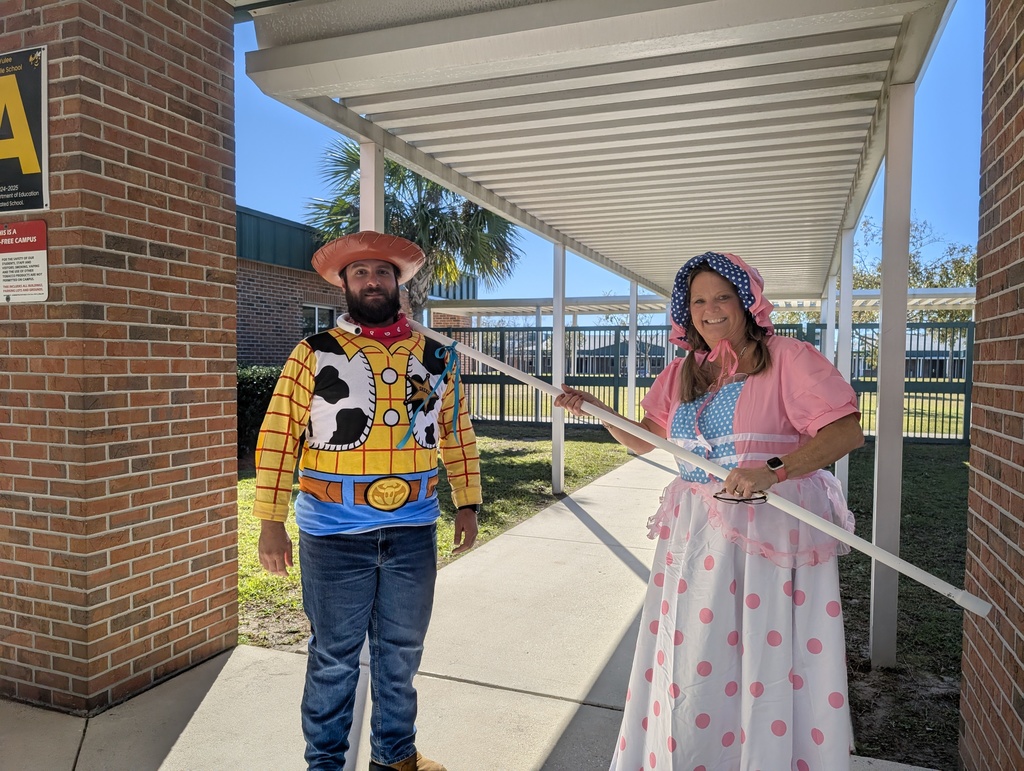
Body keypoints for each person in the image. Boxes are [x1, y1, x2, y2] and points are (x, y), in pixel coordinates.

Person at [555, 251, 864, 771]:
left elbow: (844, 431)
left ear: (748, 302)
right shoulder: (683, 371)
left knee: (765, 659)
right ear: (686, 311)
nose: (710, 308)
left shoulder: (788, 357)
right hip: (696, 535)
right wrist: (599, 411)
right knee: (698, 656)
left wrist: (774, 469)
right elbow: (647, 440)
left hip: (769, 531)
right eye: (698, 300)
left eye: (722, 296)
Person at [253, 231, 482, 771]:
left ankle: (394, 757)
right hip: (331, 532)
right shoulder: (314, 353)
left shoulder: (434, 356)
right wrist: (270, 520)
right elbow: (280, 433)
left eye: (381, 273)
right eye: (360, 274)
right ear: (344, 284)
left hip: (413, 529)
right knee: (333, 659)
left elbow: (456, 432)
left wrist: (467, 502)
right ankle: (325, 764)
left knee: (401, 654)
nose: (372, 281)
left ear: (397, 282)